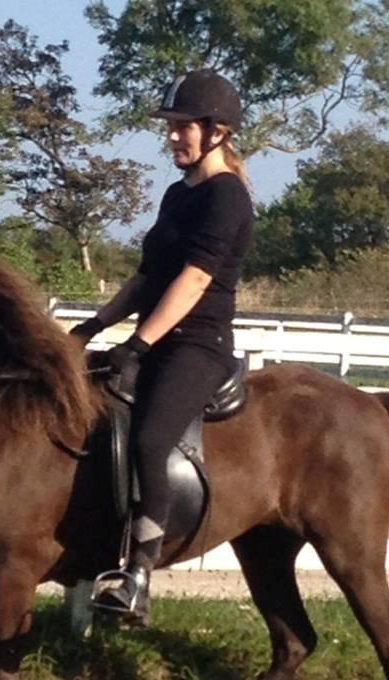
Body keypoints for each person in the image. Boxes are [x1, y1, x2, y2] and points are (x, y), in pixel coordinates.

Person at [71, 68, 254, 625]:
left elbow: (194, 281)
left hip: (196, 346)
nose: (173, 137)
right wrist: (92, 327)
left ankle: (139, 578)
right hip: (154, 337)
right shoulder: (178, 194)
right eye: (170, 128)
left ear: (217, 131)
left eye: (183, 128)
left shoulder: (227, 199)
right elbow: (149, 277)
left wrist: (139, 344)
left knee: (151, 441)